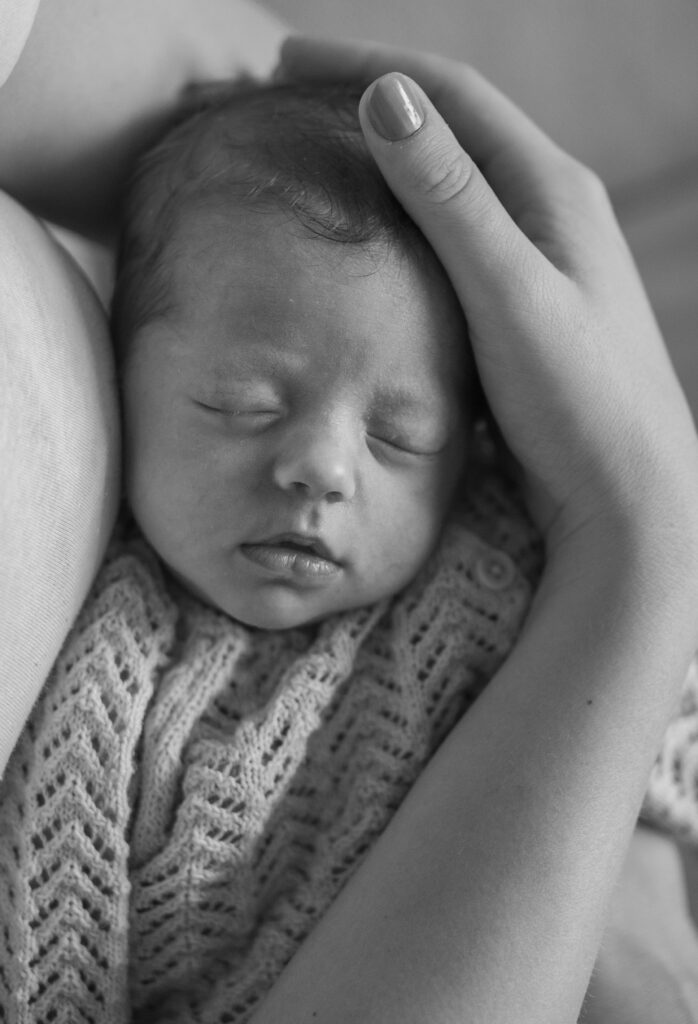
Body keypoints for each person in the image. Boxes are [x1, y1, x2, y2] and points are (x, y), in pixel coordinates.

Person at [2, 9, 698, 1022]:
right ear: (117, 365)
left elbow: (667, 729)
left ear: (473, 443)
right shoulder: (93, 644)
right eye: (241, 403)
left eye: (399, 439)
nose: (322, 469)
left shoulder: (496, 579)